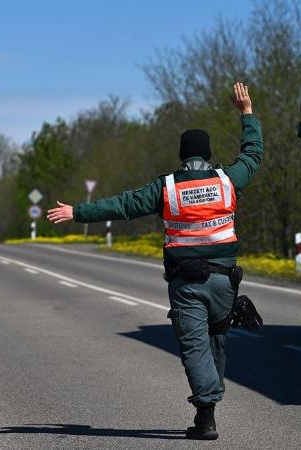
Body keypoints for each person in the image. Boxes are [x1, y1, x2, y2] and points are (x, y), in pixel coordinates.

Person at [46, 82, 262, 440]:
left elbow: (123, 205)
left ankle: (206, 414)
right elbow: (253, 154)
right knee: (216, 341)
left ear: (182, 155)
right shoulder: (228, 180)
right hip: (225, 282)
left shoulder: (168, 188)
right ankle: (209, 406)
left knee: (194, 345)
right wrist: (247, 114)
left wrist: (77, 211)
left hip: (187, 285)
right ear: (207, 154)